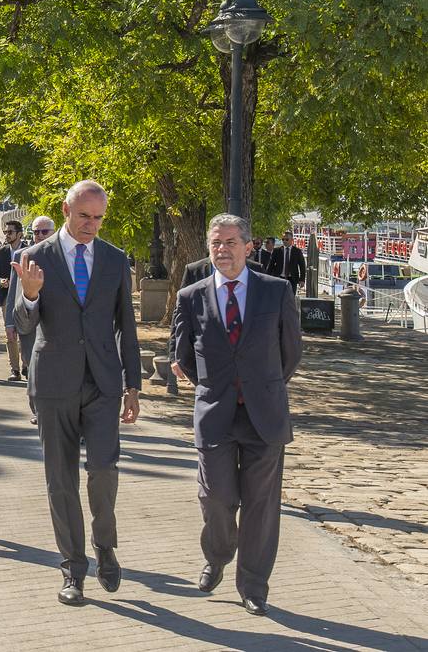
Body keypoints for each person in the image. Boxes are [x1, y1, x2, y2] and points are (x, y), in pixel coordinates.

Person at [11, 179, 141, 606]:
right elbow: (23, 324)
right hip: (53, 383)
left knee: (103, 471)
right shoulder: (34, 259)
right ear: (66, 210)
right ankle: (73, 569)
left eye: (99, 218)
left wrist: (133, 385)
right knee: (60, 479)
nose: (91, 226)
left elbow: (127, 327)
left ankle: (105, 544)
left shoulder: (115, 259)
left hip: (103, 383)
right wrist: (29, 296)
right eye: (84, 216)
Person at [174, 214, 301, 617]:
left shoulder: (276, 291)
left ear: (248, 247)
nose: (222, 250)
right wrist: (219, 385)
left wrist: (259, 385)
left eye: (230, 242)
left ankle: (253, 585)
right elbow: (182, 356)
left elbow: (290, 353)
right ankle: (218, 553)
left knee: (261, 506)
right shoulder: (190, 296)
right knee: (215, 496)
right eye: (215, 243)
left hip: (264, 414)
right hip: (215, 414)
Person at [7, 216, 55, 422]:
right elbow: (13, 292)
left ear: (53, 232)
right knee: (32, 368)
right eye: (36, 232)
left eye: (44, 232)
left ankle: (53, 411)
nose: (39, 236)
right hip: (26, 322)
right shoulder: (21, 255)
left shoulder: (59, 255)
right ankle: (37, 409)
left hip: (52, 324)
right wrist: (10, 322)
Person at [0, 219, 26, 381]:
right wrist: (1, 281)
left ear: (19, 234)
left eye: (10, 232)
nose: (7, 235)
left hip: (25, 299)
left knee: (25, 333)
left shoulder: (30, 251)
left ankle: (27, 366)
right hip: (6, 299)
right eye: (5, 232)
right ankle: (15, 369)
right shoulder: (1, 252)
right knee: (10, 334)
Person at [268, 230, 306, 295]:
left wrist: (302, 280)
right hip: (279, 278)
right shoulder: (277, 251)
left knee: (290, 298)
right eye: (283, 239)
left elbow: (302, 266)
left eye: (286, 239)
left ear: (292, 240)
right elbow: (271, 265)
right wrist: (268, 278)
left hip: (292, 279)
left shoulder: (297, 251)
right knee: (278, 296)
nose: (284, 241)